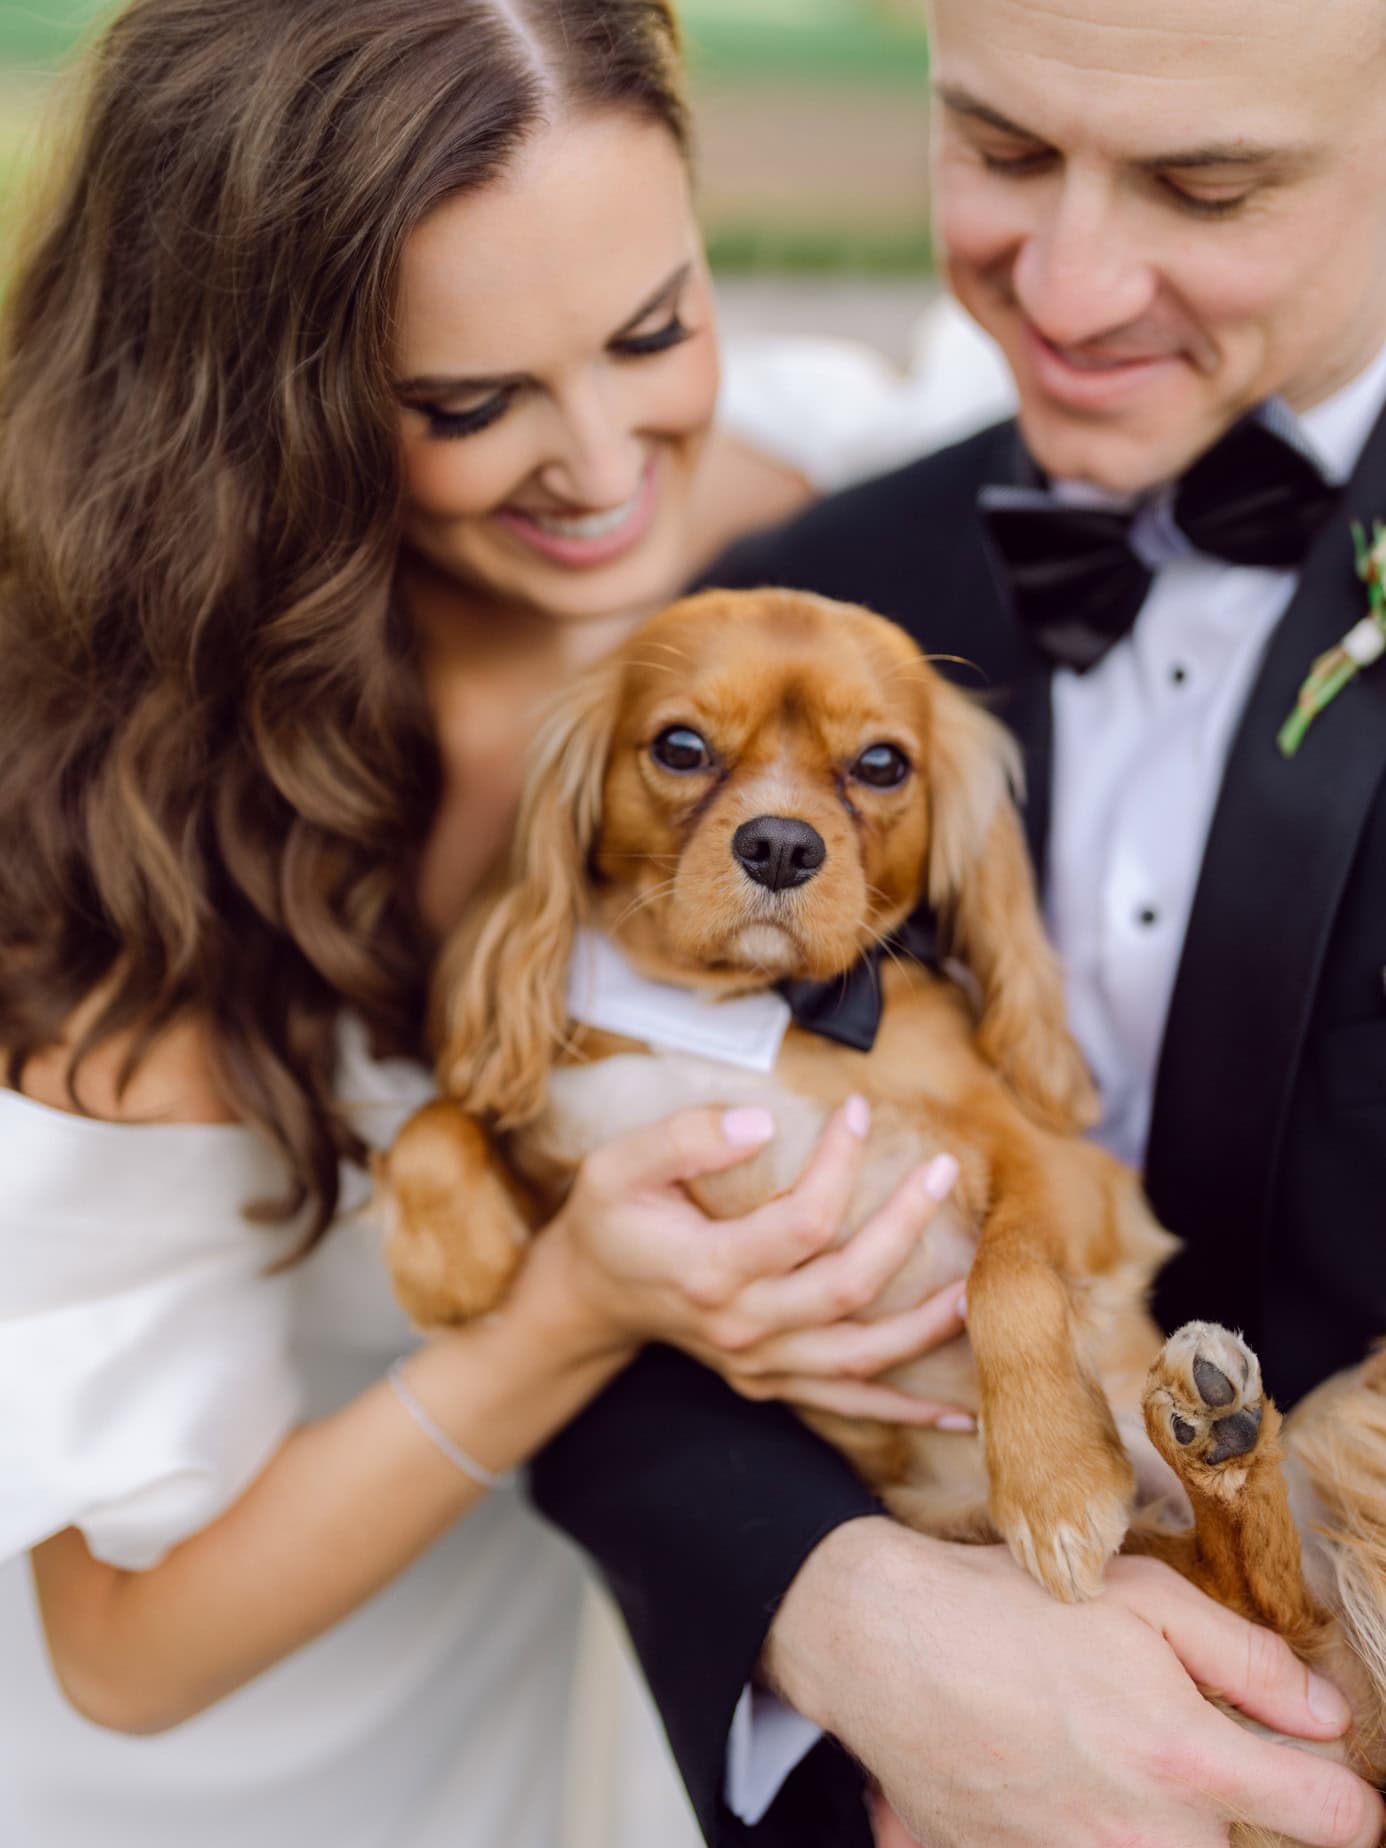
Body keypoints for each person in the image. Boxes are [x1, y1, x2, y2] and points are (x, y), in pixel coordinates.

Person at [0, 3, 983, 1844]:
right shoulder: (150, 839)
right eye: (467, 406)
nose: (610, 465)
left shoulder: (799, 525)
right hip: (281, 1764)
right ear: (262, 415)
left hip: (632, 1680)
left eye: (655, 328)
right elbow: (123, 1652)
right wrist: (573, 1311)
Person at [529, 0, 1386, 1844]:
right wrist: (840, 1624)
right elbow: (571, 1232)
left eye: (1205, 185)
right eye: (997, 152)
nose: (1065, 290)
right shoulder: (808, 612)